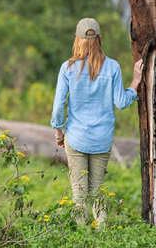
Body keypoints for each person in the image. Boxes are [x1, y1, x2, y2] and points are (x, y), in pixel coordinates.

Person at [50, 17, 143, 225]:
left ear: (77, 39)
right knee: (97, 190)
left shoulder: (67, 68)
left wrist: (58, 133)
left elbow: (58, 106)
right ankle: (102, 237)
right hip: (101, 140)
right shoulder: (112, 67)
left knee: (79, 194)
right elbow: (121, 102)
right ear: (100, 38)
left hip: (75, 138)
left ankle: (83, 239)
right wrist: (135, 82)